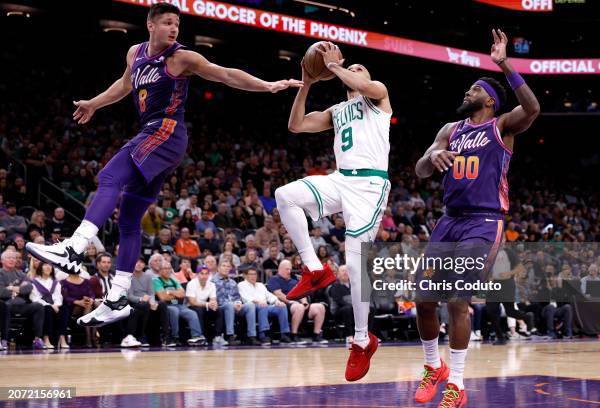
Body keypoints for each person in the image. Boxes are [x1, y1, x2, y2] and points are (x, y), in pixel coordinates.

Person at [25, 2, 302, 328]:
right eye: (168, 23)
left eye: (177, 24)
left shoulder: (182, 57)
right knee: (129, 218)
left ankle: (74, 247)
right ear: (151, 24)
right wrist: (94, 104)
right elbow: (125, 85)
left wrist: (268, 85)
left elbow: (225, 75)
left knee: (110, 175)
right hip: (154, 134)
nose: (174, 29)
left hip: (167, 130)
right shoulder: (135, 53)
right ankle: (117, 297)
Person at [412, 30, 539, 407]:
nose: (467, 93)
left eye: (473, 89)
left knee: (457, 299)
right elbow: (420, 170)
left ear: (489, 99)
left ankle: (458, 383)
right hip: (448, 219)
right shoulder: (451, 130)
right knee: (423, 296)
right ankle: (433, 367)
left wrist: (503, 63)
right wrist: (430, 159)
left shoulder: (501, 126)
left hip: (483, 221)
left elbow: (532, 109)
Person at [276, 41, 392, 381]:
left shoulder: (378, 97)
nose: (354, 72)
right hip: (341, 179)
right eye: (350, 69)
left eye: (359, 69)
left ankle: (361, 339)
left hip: (370, 186)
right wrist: (308, 81)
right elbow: (296, 125)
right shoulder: (337, 110)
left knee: (355, 263)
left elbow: (364, 85)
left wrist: (336, 66)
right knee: (286, 196)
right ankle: (314, 268)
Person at [268, 260, 327, 344]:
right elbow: (279, 294)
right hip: (285, 305)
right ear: (280, 269)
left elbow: (302, 293)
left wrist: (304, 302)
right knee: (299, 307)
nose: (289, 271)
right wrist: (291, 301)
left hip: (299, 305)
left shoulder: (294, 281)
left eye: (290, 269)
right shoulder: (274, 279)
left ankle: (316, 334)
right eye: (287, 269)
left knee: (320, 307)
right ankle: (294, 334)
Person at [237, 267, 292, 345]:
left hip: (265, 306)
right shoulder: (241, 285)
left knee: (282, 307)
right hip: (252, 307)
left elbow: (269, 295)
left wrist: (277, 301)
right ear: (245, 276)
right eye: (251, 274)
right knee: (263, 306)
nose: (253, 276)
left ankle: (284, 334)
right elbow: (245, 298)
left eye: (255, 274)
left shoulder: (260, 285)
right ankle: (263, 334)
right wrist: (259, 302)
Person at [30, 262, 68, 349]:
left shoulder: (55, 283)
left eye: (50, 266)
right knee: (47, 309)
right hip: (40, 306)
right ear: (40, 268)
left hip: (54, 305)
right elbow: (35, 298)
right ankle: (46, 338)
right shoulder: (35, 282)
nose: (48, 267)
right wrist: (50, 305)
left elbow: (58, 296)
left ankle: (62, 338)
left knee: (64, 309)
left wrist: (56, 305)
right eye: (45, 265)